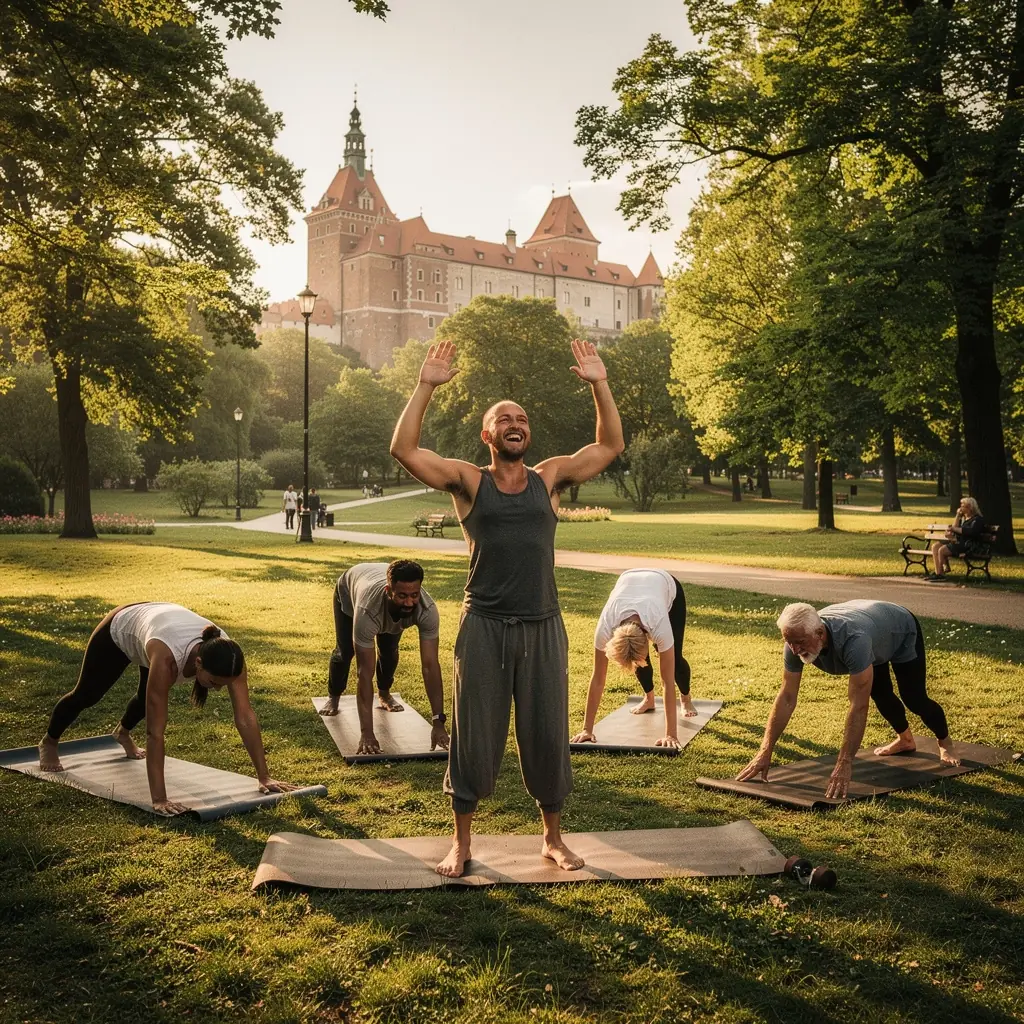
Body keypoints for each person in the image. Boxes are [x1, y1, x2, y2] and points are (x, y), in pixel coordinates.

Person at [390, 338, 624, 878]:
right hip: (485, 628)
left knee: (546, 736)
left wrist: (599, 383)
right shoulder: (470, 482)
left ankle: (552, 839)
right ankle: (461, 842)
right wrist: (425, 384)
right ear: (487, 434)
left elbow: (609, 445)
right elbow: (404, 450)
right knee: (475, 736)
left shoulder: (550, 478)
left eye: (522, 418)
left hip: (543, 625)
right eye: (504, 419)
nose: (515, 423)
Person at [38, 602, 296, 814]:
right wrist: (159, 798)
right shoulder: (167, 659)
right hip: (121, 628)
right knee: (87, 695)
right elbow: (155, 733)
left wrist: (264, 777)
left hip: (159, 625)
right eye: (213, 683)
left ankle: (122, 733)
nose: (217, 689)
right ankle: (49, 742)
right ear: (197, 663)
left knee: (144, 698)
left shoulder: (230, 658)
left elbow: (245, 717)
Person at [737, 600, 959, 800]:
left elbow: (858, 706)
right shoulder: (795, 640)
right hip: (871, 626)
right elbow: (786, 697)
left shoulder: (855, 641)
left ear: (820, 633)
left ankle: (945, 743)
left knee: (914, 699)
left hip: (897, 629)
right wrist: (765, 751)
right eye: (790, 642)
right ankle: (906, 740)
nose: (795, 650)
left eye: (800, 642)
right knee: (880, 693)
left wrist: (845, 762)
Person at [321, 560, 450, 755]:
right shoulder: (366, 611)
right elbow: (364, 673)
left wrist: (438, 722)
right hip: (350, 590)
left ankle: (384, 694)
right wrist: (367, 733)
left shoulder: (427, 610)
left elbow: (430, 666)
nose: (409, 602)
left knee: (389, 652)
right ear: (388, 590)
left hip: (382, 602)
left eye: (414, 595)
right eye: (402, 596)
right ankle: (334, 695)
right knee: (345, 652)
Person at [571, 569, 695, 749]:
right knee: (637, 661)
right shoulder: (605, 628)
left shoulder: (659, 624)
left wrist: (670, 735)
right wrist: (586, 729)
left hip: (665, 583)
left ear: (647, 637)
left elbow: (667, 682)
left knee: (674, 662)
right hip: (631, 581)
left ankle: (686, 698)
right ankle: (649, 699)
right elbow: (598, 679)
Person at [929, 497, 986, 581]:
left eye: (963, 506)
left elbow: (971, 532)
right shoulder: (963, 519)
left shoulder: (977, 519)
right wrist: (957, 516)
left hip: (968, 545)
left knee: (942, 550)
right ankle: (938, 572)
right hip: (958, 542)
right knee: (935, 546)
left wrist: (954, 529)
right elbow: (954, 527)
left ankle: (940, 574)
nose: (960, 508)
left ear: (970, 507)